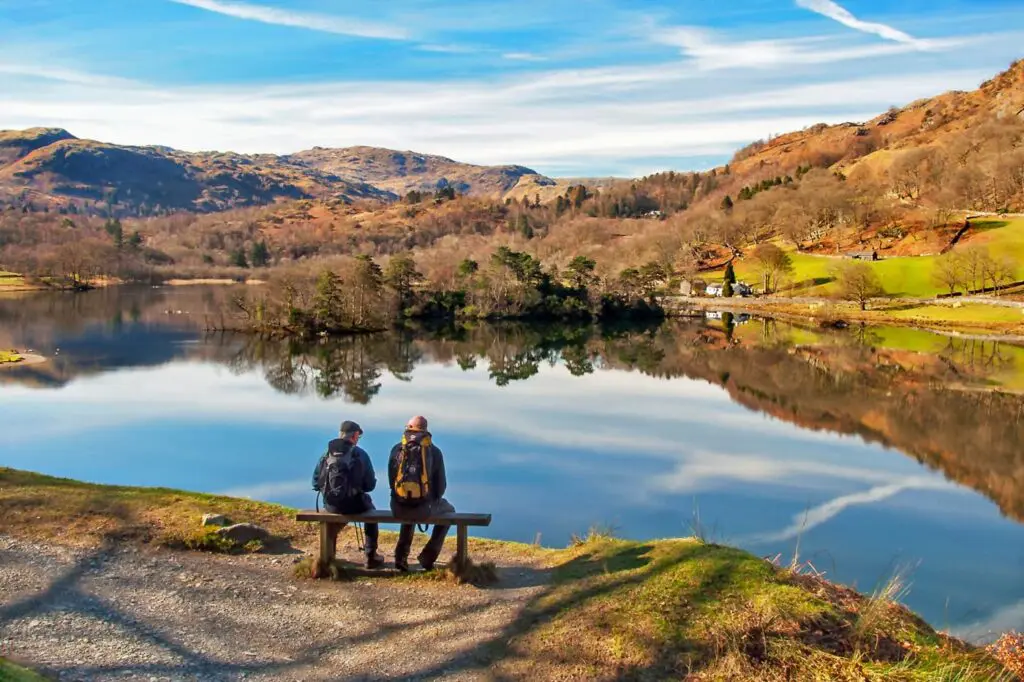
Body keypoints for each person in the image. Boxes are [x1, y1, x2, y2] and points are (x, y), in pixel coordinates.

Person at [312, 420, 384, 569]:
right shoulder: (361, 454)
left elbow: (315, 482)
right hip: (355, 505)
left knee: (332, 522)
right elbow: (370, 485)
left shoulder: (327, 453)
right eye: (358, 436)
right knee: (371, 512)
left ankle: (328, 556)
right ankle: (371, 556)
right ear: (355, 435)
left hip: (331, 505)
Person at [388, 415, 454, 571]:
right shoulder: (434, 452)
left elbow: (392, 481)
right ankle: (427, 557)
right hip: (425, 508)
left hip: (398, 507)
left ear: (409, 428)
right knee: (450, 512)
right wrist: (429, 498)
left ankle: (401, 557)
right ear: (425, 430)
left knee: (407, 505)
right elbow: (441, 487)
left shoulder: (396, 449)